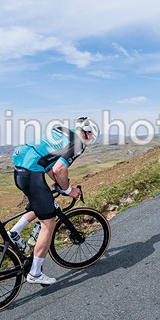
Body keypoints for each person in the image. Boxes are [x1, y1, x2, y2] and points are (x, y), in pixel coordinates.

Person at [10, 117, 100, 285]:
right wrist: (68, 190)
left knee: (43, 204)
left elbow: (51, 166)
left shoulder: (62, 130)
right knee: (48, 223)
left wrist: (62, 183)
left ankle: (14, 232)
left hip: (21, 170)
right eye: (91, 136)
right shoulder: (78, 144)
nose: (90, 139)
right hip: (31, 173)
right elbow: (60, 169)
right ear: (87, 133)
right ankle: (35, 274)